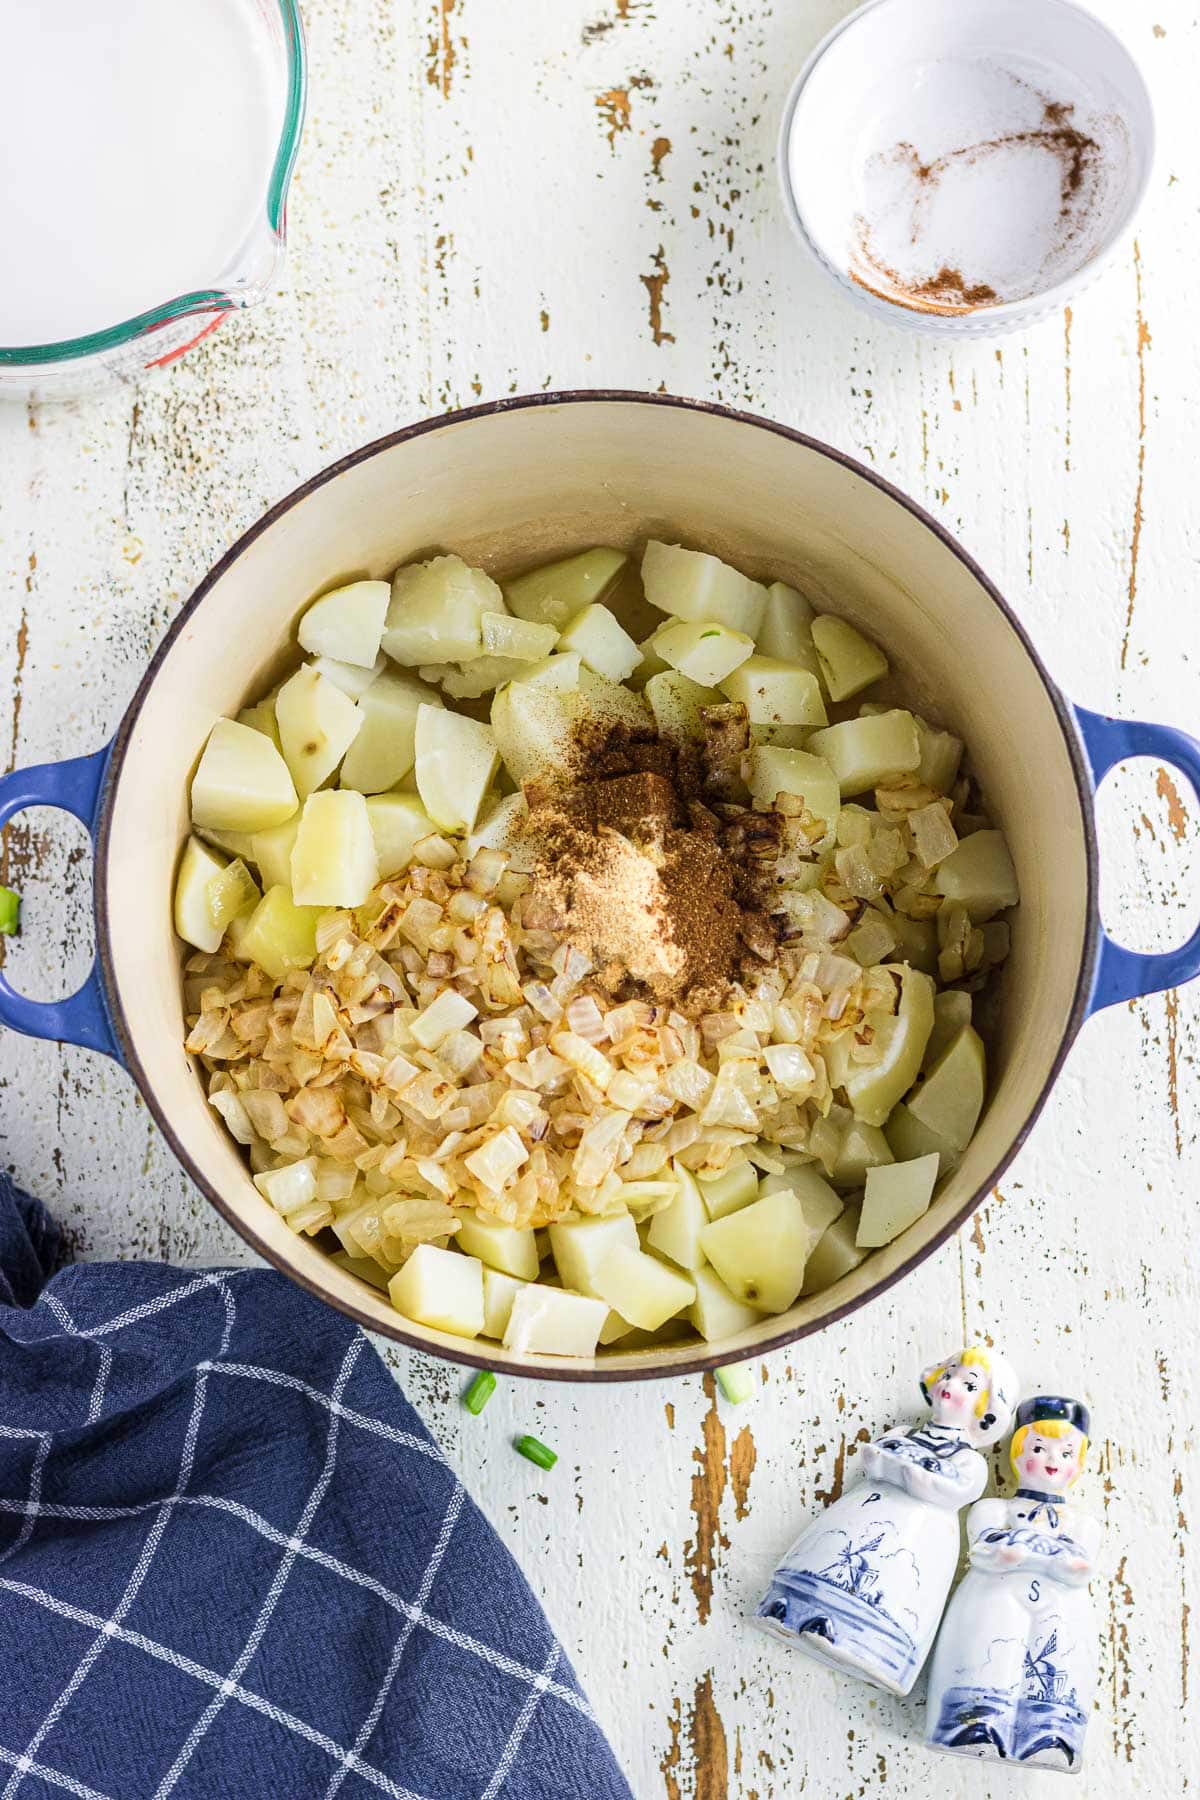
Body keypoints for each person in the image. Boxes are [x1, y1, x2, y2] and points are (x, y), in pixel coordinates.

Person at [754, 1344, 1018, 1696]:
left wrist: (904, 1470)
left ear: (987, 1413)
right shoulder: (905, 1433)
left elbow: (947, 1487)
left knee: (893, 1589)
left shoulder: (969, 1461)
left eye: (969, 1386)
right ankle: (794, 1612)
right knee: (831, 1555)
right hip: (865, 1510)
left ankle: (871, 1650)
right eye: (950, 1372)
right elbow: (875, 1458)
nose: (951, 1384)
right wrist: (904, 1469)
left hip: (919, 1532)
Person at [925, 1395, 1099, 1770]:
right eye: (1040, 1448)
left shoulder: (1083, 1525)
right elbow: (985, 1551)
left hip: (1058, 1610)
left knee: (1052, 1663)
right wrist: (1027, 1555)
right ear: (1017, 1455)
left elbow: (1080, 1568)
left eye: (1066, 1453)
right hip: (995, 1599)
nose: (1053, 1460)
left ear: (1078, 1465)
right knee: (989, 1656)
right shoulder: (994, 1510)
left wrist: (1028, 1553)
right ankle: (974, 1728)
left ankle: (1047, 1738)